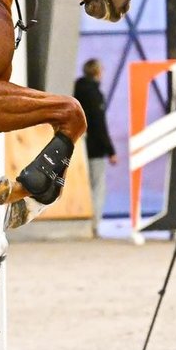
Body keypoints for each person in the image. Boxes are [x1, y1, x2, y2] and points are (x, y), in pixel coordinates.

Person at [73, 58, 117, 235]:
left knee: (84, 185)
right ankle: (94, 224)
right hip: (95, 148)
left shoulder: (77, 90)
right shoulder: (95, 94)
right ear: (98, 72)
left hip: (78, 145)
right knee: (98, 186)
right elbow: (99, 124)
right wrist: (111, 150)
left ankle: (84, 222)